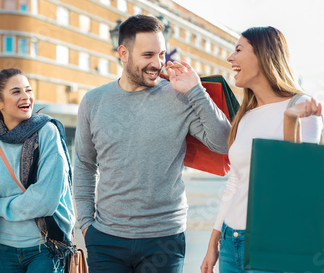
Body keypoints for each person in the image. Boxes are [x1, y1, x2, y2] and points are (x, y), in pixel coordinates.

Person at [73, 14, 231, 272]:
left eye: (162, 54)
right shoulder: (93, 101)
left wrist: (196, 90)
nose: (157, 64)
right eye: (148, 55)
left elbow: (224, 143)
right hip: (105, 240)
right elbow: (83, 164)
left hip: (164, 240)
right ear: (123, 53)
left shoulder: (178, 96)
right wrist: (87, 225)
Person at [200, 26, 323, 273]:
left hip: (273, 242)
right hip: (230, 242)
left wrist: (290, 120)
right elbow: (234, 183)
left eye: (238, 49)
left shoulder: (301, 106)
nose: (229, 58)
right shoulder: (245, 117)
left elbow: (298, 177)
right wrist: (213, 243)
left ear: (264, 55)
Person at [0, 68, 74, 273]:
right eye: (16, 91)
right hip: (4, 251)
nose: (26, 97)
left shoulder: (47, 133)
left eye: (28, 90)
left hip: (45, 248)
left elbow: (45, 200)